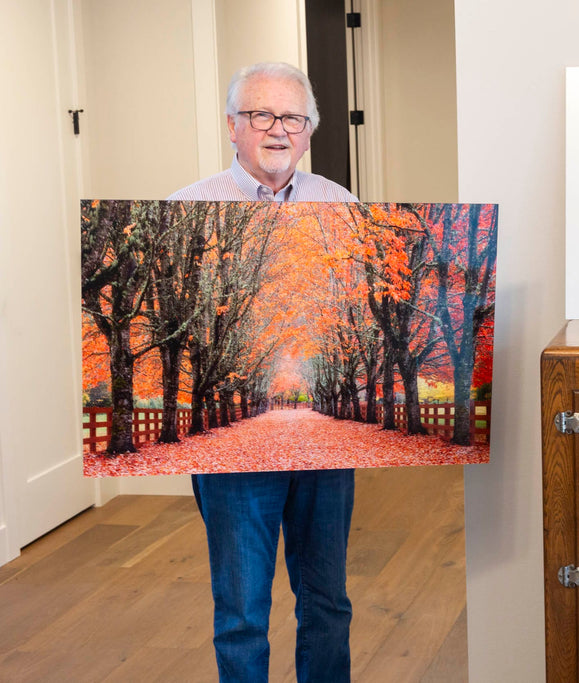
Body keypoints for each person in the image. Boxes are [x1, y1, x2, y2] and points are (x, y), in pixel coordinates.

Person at [170, 62, 357, 682]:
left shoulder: (342, 205)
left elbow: (356, 317)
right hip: (234, 452)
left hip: (322, 445)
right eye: (260, 114)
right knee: (242, 612)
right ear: (232, 126)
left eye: (293, 118)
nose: (278, 129)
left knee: (328, 603)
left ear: (309, 131)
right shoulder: (184, 213)